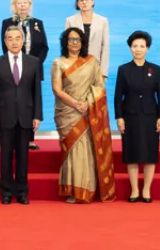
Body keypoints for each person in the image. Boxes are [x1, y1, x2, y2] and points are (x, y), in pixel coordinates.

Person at [51, 27, 116, 203]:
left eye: (78, 39)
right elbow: (57, 89)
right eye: (71, 39)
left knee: (86, 149)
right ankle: (72, 189)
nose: (74, 43)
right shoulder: (59, 62)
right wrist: (75, 104)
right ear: (65, 42)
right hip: (66, 112)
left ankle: (87, 189)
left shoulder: (91, 62)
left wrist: (87, 104)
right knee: (71, 151)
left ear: (83, 42)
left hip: (88, 110)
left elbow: (98, 86)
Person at [0, 26, 43, 205]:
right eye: (10, 38)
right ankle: (5, 192)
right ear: (5, 42)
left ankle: (21, 192)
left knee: (23, 157)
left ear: (23, 41)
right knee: (5, 156)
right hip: (4, 116)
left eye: (17, 38)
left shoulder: (34, 62)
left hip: (26, 116)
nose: (14, 41)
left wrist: (37, 115)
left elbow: (37, 92)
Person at [115, 30, 160, 203]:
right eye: (135, 46)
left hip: (151, 116)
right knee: (132, 153)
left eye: (142, 46)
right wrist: (119, 117)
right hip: (130, 116)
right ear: (130, 48)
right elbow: (117, 96)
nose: (138, 49)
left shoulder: (155, 69)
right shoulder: (123, 70)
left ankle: (146, 190)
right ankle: (134, 190)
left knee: (150, 154)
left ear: (147, 48)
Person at [1, 0, 49, 150]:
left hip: (33, 71)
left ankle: (29, 139)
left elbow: (44, 47)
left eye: (25, 2)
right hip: (13, 69)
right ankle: (13, 138)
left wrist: (34, 65)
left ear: (30, 5)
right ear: (14, 6)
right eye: (19, 3)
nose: (22, 5)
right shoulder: (7, 23)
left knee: (31, 104)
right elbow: (5, 47)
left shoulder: (38, 23)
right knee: (13, 103)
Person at [64, 0, 110, 78]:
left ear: (92, 2)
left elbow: (105, 46)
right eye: (81, 0)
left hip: (95, 67)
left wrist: (103, 72)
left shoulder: (102, 21)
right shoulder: (70, 21)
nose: (84, 2)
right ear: (77, 3)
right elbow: (66, 45)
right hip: (75, 66)